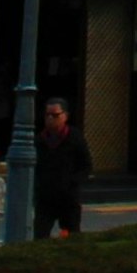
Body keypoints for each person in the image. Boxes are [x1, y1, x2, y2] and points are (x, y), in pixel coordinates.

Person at [35, 97, 91, 238]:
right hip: (45, 197)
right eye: (47, 115)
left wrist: (72, 182)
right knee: (40, 234)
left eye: (55, 115)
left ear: (65, 116)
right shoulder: (40, 140)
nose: (50, 119)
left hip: (68, 197)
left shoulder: (74, 137)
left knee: (71, 235)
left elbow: (86, 165)